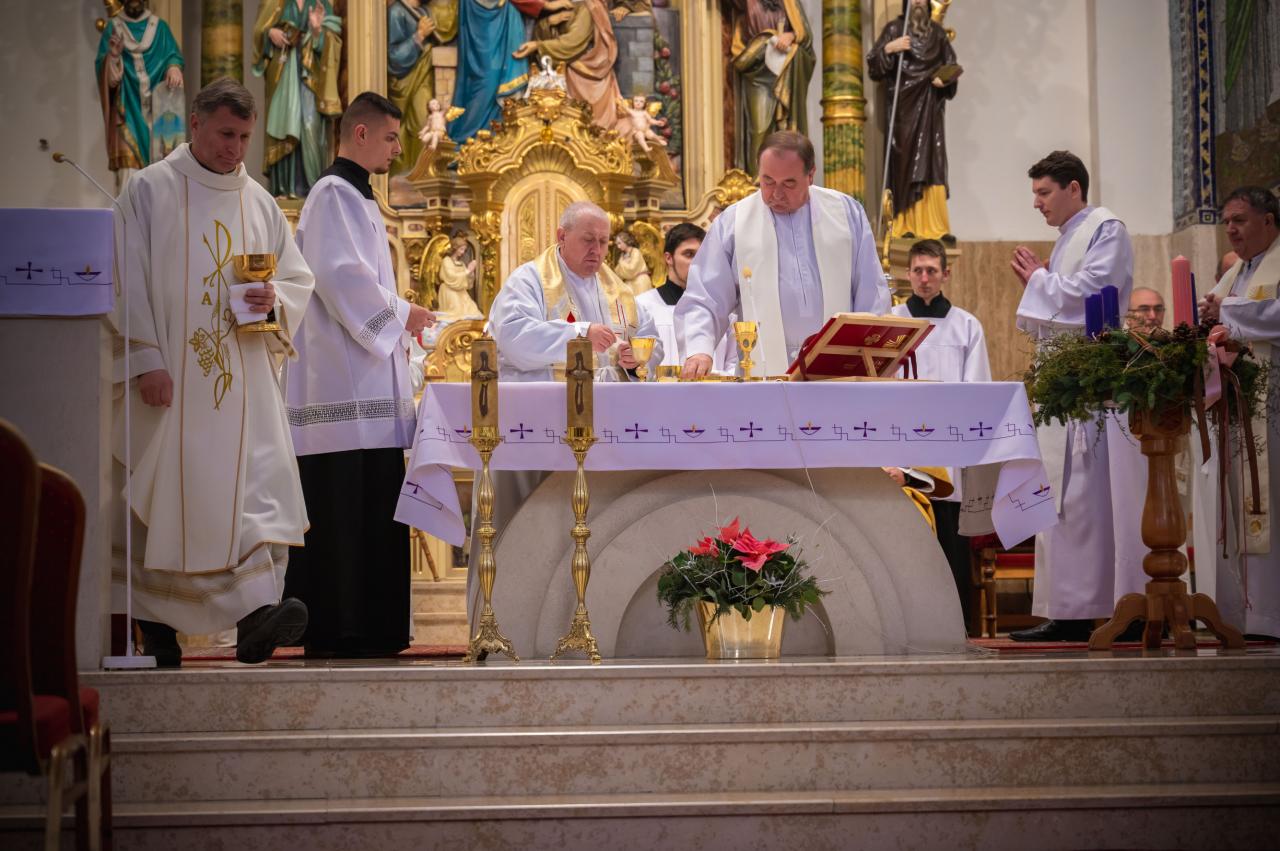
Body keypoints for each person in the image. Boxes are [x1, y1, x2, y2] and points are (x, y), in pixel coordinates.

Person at [112, 78, 315, 666]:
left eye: (245, 137)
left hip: (243, 388)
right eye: (226, 134)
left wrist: (272, 299)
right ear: (195, 124)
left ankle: (255, 617)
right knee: (163, 502)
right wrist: (145, 359)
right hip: (171, 385)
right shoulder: (148, 190)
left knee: (255, 496)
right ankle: (157, 631)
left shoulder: (259, 201)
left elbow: (295, 281)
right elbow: (124, 278)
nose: (235, 148)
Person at [282, 93, 437, 657]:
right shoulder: (332, 193)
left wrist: (397, 317)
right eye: (392, 138)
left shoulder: (358, 196)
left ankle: (374, 627)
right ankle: (339, 628)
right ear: (362, 134)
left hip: (365, 381)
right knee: (344, 504)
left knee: (371, 502)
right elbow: (338, 274)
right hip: (340, 388)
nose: (398, 149)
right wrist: (402, 313)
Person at [1009, 150, 1143, 642]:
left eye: (1044, 192)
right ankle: (1067, 609)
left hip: (1094, 392)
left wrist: (1039, 281)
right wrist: (1042, 283)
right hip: (1066, 389)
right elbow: (1055, 308)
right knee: (1063, 499)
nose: (1037, 203)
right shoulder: (1069, 237)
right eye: (1035, 194)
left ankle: (1114, 608)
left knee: (1089, 501)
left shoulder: (1106, 229)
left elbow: (1093, 292)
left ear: (1073, 189)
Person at [678, 131, 889, 380]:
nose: (776, 194)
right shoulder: (733, 223)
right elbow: (705, 296)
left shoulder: (846, 214)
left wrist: (875, 356)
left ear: (810, 175)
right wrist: (699, 350)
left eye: (789, 183)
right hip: (762, 373)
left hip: (839, 373)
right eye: (767, 181)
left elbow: (871, 293)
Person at [889, 238, 991, 630]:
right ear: (908, 274)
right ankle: (910, 626)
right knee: (907, 545)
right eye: (917, 270)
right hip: (905, 450)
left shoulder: (966, 325)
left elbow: (977, 390)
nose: (924, 278)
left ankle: (957, 627)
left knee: (951, 544)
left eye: (931, 270)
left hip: (949, 452)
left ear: (945, 274)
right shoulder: (892, 322)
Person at [1198, 185, 1280, 639]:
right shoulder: (1238, 272)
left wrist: (1227, 311)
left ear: (1268, 221)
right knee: (1241, 501)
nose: (1230, 229)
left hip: (1273, 404)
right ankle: (1245, 614)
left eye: (1240, 220)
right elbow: (1219, 315)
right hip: (1239, 404)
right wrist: (1210, 315)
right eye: (1226, 221)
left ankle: (1270, 614)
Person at [489, 201, 663, 381]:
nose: (596, 250)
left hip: (610, 396)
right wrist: (580, 335)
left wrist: (636, 359)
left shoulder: (618, 288)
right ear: (562, 236)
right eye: (588, 240)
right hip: (550, 397)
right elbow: (513, 336)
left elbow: (651, 339)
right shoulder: (528, 280)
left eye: (603, 241)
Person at [867, 0, 959, 241]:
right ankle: (902, 223)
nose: (918, 1)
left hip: (930, 109)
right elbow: (874, 66)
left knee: (933, 163)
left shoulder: (938, 34)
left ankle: (936, 227)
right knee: (904, 165)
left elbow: (952, 65)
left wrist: (944, 78)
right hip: (903, 111)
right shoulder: (894, 29)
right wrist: (889, 48)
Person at [251, 0, 343, 197]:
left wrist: (317, 32)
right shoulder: (275, 3)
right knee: (283, 126)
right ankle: (283, 189)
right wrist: (270, 33)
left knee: (310, 128)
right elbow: (259, 31)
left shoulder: (321, 4)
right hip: (282, 75)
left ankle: (313, 191)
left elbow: (333, 39)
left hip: (311, 79)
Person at [94, 0, 185, 184]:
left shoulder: (160, 28)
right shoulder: (113, 28)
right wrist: (113, 57)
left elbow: (173, 55)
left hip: (158, 112)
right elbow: (104, 73)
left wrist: (173, 67)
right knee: (128, 173)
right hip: (126, 111)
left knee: (161, 173)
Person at [726, 0, 816, 173]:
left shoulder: (789, 2)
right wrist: (764, 41)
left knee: (786, 134)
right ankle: (758, 181)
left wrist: (791, 36)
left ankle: (787, 177)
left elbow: (805, 36)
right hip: (756, 69)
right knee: (759, 130)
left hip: (785, 70)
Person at [635, 223, 735, 374]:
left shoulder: (723, 309)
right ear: (668, 258)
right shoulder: (643, 306)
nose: (697, 262)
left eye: (702, 256)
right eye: (689, 254)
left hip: (713, 388)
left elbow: (734, 364)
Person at [387, 0, 456, 174]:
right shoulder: (396, 12)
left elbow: (447, 26)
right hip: (405, 82)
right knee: (416, 127)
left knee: (425, 122)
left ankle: (423, 175)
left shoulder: (424, 12)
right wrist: (419, 36)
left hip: (423, 78)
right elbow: (394, 58)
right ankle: (408, 176)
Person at [436, 231, 482, 317]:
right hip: (449, 290)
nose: (463, 252)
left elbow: (467, 282)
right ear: (455, 248)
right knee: (456, 312)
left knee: (473, 310)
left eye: (464, 250)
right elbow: (450, 277)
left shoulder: (461, 263)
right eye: (461, 249)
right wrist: (467, 271)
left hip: (460, 291)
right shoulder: (447, 261)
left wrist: (470, 272)